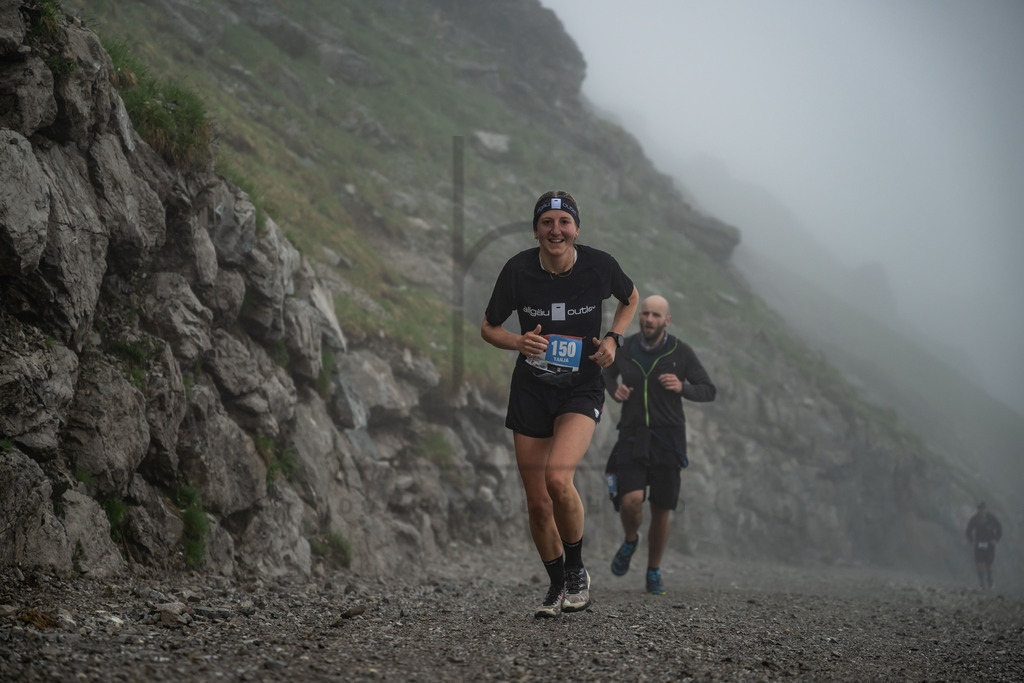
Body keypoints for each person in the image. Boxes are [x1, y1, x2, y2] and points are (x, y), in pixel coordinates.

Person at [481, 190, 638, 618]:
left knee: (556, 478)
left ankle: (575, 572)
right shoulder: (517, 270)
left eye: (563, 222)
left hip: (581, 387)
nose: (556, 230)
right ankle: (556, 586)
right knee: (536, 501)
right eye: (547, 223)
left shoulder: (599, 265)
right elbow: (488, 327)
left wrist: (613, 339)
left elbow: (631, 298)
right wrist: (518, 341)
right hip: (531, 389)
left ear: (576, 229)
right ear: (536, 230)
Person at [602, 294, 716, 595]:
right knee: (631, 501)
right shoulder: (625, 348)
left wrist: (683, 387)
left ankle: (653, 570)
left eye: (656, 315)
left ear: (667, 321)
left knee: (662, 510)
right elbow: (606, 371)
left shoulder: (681, 352)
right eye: (645, 313)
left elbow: (708, 389)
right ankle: (630, 540)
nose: (649, 319)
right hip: (632, 434)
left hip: (668, 439)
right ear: (639, 316)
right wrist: (615, 390)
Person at [965, 502, 1002, 590]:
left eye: (983, 509)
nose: (981, 511)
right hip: (979, 543)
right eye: (980, 509)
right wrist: (971, 540)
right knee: (979, 564)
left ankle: (990, 581)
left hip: (989, 543)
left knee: (988, 565)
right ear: (978, 510)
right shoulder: (975, 518)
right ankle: (981, 584)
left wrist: (996, 539)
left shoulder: (991, 518)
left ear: (986, 509)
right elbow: (968, 530)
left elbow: (999, 528)